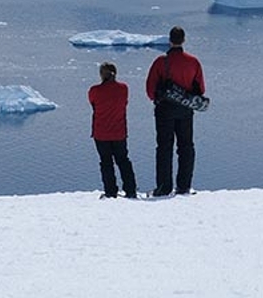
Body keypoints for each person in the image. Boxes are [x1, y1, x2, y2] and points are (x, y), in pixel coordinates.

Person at [145, 26, 206, 196]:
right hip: (185, 110)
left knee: (164, 148)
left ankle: (164, 187)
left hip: (164, 110)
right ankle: (184, 186)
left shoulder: (160, 62)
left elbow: (150, 89)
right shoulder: (193, 62)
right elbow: (200, 89)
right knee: (186, 147)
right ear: (183, 40)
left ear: (169, 40)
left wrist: (158, 100)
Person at [88, 61, 137, 198]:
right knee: (123, 160)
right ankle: (131, 190)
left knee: (106, 162)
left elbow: (93, 103)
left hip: (101, 133)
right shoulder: (123, 89)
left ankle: (110, 191)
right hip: (119, 132)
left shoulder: (94, 90)